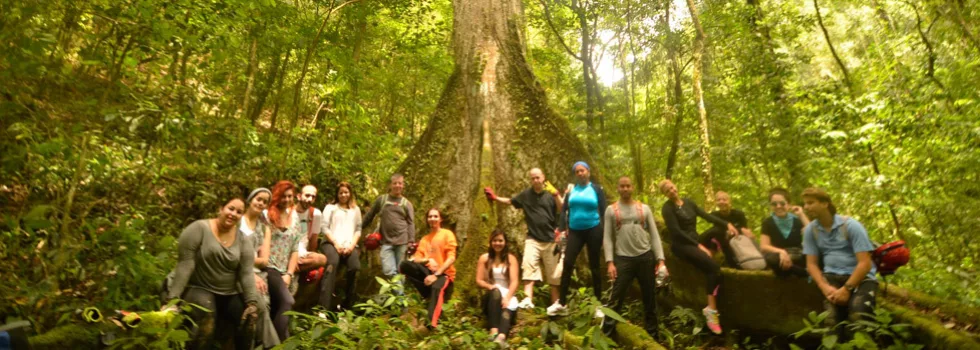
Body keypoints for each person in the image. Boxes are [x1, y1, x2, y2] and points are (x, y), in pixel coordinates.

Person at [164, 196, 259, 349]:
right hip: (199, 287)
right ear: (220, 208)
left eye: (239, 212)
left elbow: (246, 273)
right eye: (231, 208)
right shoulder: (199, 229)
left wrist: (252, 302)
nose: (233, 214)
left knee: (248, 319)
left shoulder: (243, 240)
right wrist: (172, 300)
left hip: (228, 292)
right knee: (207, 316)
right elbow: (185, 264)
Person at [658, 179, 737, 335]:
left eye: (672, 187)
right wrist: (699, 246)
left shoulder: (688, 202)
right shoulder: (667, 209)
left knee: (718, 231)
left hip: (695, 239)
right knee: (714, 269)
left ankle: (732, 263)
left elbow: (707, 217)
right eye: (667, 190)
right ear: (665, 194)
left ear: (676, 186)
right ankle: (711, 310)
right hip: (681, 244)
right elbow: (676, 233)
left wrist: (727, 224)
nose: (672, 191)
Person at [801, 187, 878, 336]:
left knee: (859, 315)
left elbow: (865, 263)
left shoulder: (850, 226)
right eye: (805, 204)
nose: (806, 208)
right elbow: (811, 264)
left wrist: (846, 289)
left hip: (861, 278)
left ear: (825, 204)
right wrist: (824, 286)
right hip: (831, 278)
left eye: (811, 203)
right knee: (830, 320)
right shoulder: (811, 230)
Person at [484, 168, 562, 309]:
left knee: (554, 274)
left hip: (550, 239)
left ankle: (556, 303)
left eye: (537, 177)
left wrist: (556, 194)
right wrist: (495, 198)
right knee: (528, 267)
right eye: (532, 178)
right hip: (533, 238)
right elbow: (511, 201)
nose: (535, 180)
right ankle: (527, 300)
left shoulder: (551, 194)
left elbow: (562, 209)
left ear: (543, 177)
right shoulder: (526, 195)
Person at [601, 176, 666, 338]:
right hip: (623, 259)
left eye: (628, 186)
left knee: (649, 298)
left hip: (645, 257)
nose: (625, 189)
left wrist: (661, 260)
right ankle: (606, 334)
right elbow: (607, 237)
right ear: (617, 188)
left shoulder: (644, 209)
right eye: (622, 186)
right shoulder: (611, 210)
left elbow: (655, 235)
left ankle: (653, 336)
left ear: (633, 188)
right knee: (616, 297)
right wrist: (610, 262)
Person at [548, 161, 607, 317]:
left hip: (593, 229)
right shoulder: (571, 191)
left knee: (594, 265)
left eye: (582, 170)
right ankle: (562, 303)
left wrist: (604, 231)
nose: (580, 173)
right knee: (567, 263)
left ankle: (598, 305)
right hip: (575, 231)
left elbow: (603, 211)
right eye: (577, 172)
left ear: (588, 171)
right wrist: (561, 230)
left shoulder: (596, 189)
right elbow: (564, 211)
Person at [399, 208, 458, 329]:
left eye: (435, 216)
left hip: (444, 274)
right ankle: (426, 293)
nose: (432, 219)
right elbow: (416, 259)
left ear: (440, 219)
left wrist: (436, 274)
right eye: (430, 217)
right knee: (404, 265)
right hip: (428, 272)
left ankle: (431, 323)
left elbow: (451, 258)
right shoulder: (425, 239)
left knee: (437, 287)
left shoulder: (447, 234)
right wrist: (427, 260)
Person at [240, 188, 280, 347]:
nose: (261, 203)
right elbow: (230, 253)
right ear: (250, 200)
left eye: (265, 202)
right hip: (237, 271)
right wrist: (248, 269)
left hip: (258, 273)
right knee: (259, 306)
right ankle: (274, 346)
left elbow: (264, 260)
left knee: (264, 303)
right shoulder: (237, 220)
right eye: (258, 199)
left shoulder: (264, 228)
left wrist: (247, 260)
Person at [264, 181, 302, 341]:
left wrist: (289, 274)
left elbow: (295, 248)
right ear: (277, 196)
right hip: (268, 267)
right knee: (287, 301)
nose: (286, 199)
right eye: (283, 196)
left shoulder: (295, 216)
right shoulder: (267, 215)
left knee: (278, 306)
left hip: (284, 269)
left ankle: (279, 341)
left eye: (289, 196)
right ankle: (277, 345)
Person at [318, 182, 363, 312]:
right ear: (337, 194)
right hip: (331, 243)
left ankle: (347, 305)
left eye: (346, 192)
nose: (343, 195)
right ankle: (323, 307)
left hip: (349, 244)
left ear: (350, 193)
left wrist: (351, 245)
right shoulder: (330, 208)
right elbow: (324, 227)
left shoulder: (356, 210)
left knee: (354, 267)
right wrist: (336, 244)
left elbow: (358, 229)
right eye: (341, 192)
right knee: (332, 263)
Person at [363, 174, 416, 282]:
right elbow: (370, 215)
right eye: (395, 183)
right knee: (388, 270)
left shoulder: (407, 204)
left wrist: (411, 241)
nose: (397, 186)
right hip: (386, 242)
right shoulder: (382, 200)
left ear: (403, 185)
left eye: (400, 183)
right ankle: (400, 297)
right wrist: (359, 227)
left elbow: (411, 223)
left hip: (402, 242)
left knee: (400, 271)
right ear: (390, 185)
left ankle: (398, 298)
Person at [475, 231, 519, 347]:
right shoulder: (484, 258)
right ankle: (493, 331)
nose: (497, 243)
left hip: (507, 293)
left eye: (500, 241)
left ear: (505, 242)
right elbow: (479, 280)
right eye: (495, 241)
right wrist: (490, 286)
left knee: (507, 310)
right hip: (492, 294)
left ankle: (501, 337)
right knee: (496, 292)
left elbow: (514, 281)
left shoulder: (511, 259)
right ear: (490, 242)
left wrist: (508, 297)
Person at [760, 187, 810, 278]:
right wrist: (782, 252)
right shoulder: (767, 222)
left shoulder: (797, 220)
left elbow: (813, 234)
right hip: (779, 256)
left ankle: (791, 271)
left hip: (797, 254)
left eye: (782, 203)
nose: (778, 206)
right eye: (774, 204)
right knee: (771, 259)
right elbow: (764, 246)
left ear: (788, 204)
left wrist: (801, 214)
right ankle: (804, 273)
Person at [698, 191, 755, 268]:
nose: (721, 202)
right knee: (716, 231)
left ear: (729, 201)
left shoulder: (738, 214)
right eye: (718, 200)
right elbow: (715, 231)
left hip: (736, 241)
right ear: (716, 203)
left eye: (724, 200)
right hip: (720, 241)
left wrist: (737, 231)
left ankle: (735, 264)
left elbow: (745, 231)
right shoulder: (714, 215)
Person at [294, 185, 327, 283]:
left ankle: (294, 268)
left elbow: (314, 240)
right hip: (286, 252)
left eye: (313, 197)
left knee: (322, 259)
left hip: (302, 256)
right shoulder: (288, 211)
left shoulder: (315, 214)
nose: (310, 199)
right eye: (307, 195)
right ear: (299, 196)